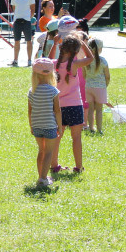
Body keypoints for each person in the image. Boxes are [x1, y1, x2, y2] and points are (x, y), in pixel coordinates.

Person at [49, 34, 94, 173]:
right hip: (75, 105)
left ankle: (54, 165)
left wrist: (55, 43)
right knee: (76, 138)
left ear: (62, 49)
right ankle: (78, 167)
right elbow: (90, 58)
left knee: (57, 137)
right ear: (75, 51)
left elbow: (48, 59)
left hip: (58, 106)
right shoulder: (75, 64)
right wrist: (82, 43)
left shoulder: (55, 64)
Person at [28, 58, 62, 187]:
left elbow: (29, 111)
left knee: (41, 151)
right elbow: (57, 111)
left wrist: (31, 126)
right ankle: (43, 179)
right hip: (50, 125)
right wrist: (60, 126)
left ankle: (42, 176)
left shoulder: (32, 91)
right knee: (49, 152)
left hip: (36, 125)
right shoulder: (53, 91)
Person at [83, 37, 112, 134]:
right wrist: (105, 85)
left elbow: (84, 75)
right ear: (99, 49)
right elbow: (107, 76)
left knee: (91, 109)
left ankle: (91, 128)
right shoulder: (103, 61)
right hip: (100, 88)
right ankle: (99, 129)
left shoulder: (86, 60)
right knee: (99, 110)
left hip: (88, 87)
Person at [9, 0, 36, 66]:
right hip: (17, 21)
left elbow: (33, 9)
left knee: (29, 40)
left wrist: (29, 18)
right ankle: (15, 60)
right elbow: (14, 8)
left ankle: (29, 60)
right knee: (17, 41)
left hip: (26, 21)